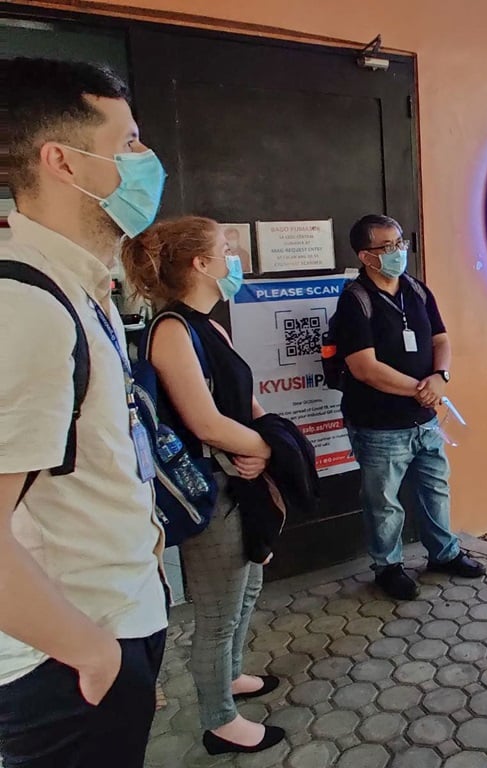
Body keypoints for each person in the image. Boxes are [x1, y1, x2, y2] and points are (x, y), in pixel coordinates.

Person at [0, 58, 168, 767]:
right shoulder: (27, 306)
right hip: (64, 662)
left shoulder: (77, 286)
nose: (146, 158)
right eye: (127, 142)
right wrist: (95, 653)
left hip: (107, 626)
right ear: (62, 161)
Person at [121, 216, 286, 756]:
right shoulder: (172, 330)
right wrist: (268, 448)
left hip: (239, 479)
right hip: (209, 489)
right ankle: (219, 721)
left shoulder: (209, 325)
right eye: (225, 248)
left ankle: (230, 676)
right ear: (200, 263)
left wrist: (266, 443)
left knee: (248, 585)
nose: (234, 257)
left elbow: (243, 403)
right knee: (217, 612)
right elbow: (205, 422)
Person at [332, 214, 485, 600]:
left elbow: (441, 340)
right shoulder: (355, 300)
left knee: (435, 489)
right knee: (384, 503)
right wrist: (420, 389)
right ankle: (388, 567)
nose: (398, 252)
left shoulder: (417, 290)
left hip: (425, 420)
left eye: (401, 243)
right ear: (366, 256)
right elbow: (364, 368)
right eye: (388, 246)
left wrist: (440, 377)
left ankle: (444, 554)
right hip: (379, 425)